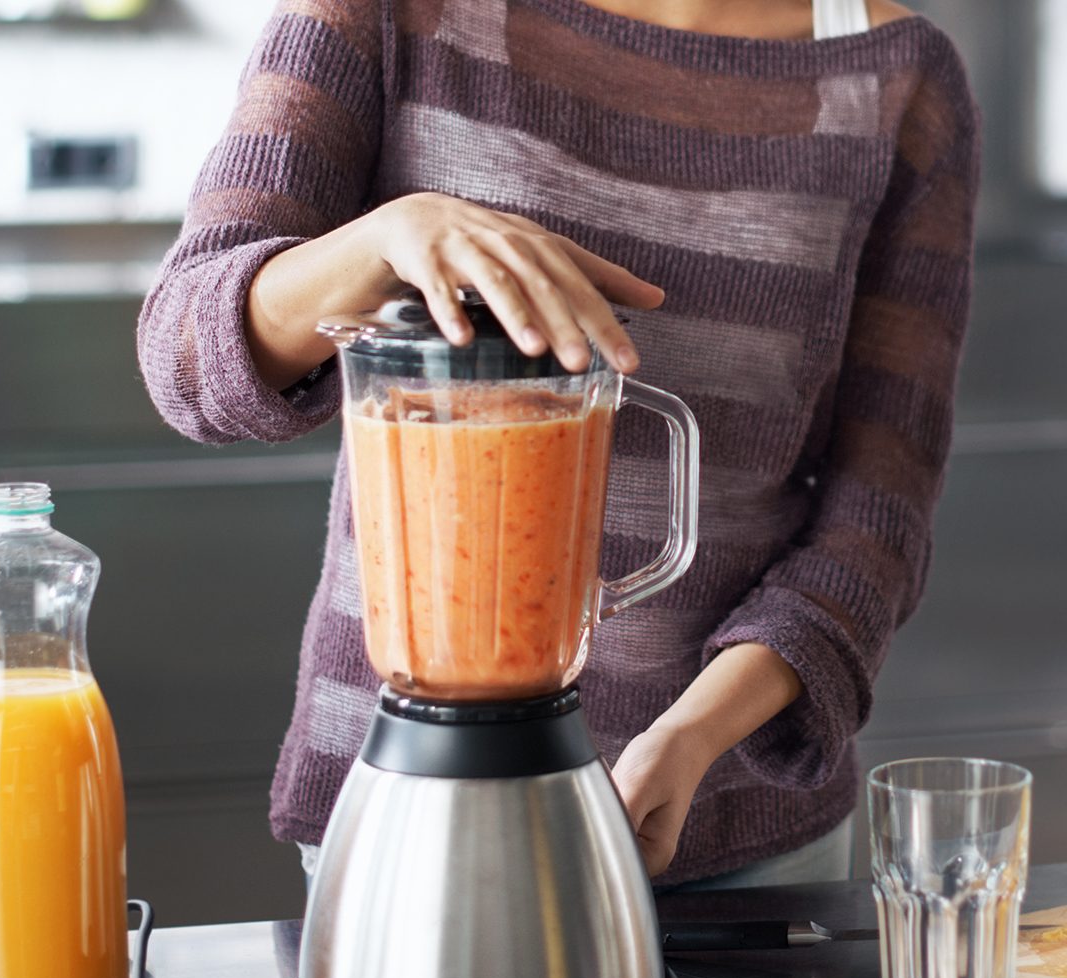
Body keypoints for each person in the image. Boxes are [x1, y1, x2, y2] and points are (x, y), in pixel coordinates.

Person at [137, 0, 980, 889]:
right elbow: (183, 356)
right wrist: (390, 238)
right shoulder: (387, 15)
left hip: (734, 831)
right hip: (409, 818)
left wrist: (689, 738)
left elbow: (878, 518)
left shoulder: (897, 78)